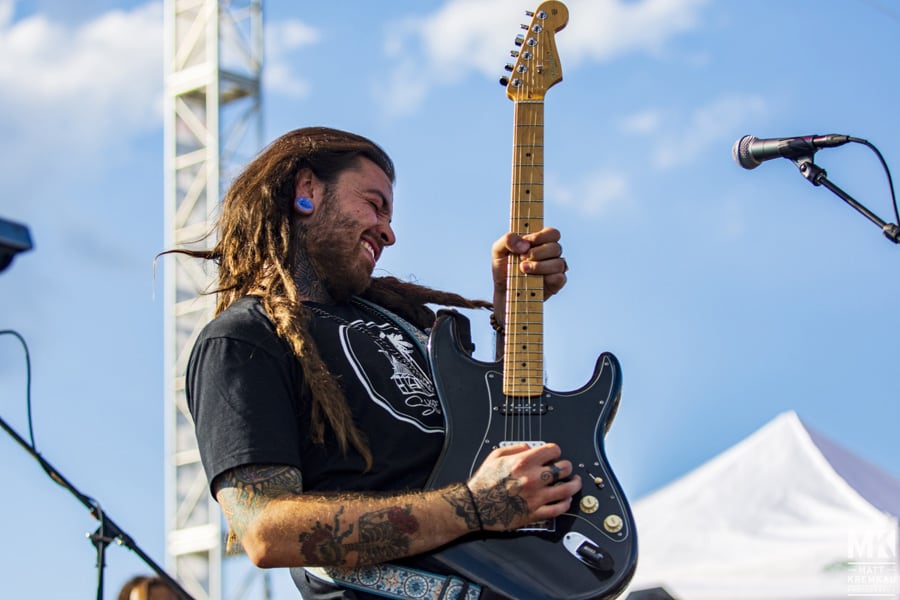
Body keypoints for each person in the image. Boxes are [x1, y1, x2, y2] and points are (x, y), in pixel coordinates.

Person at [178, 127, 578, 599]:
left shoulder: (405, 322)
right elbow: (266, 530)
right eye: (375, 204)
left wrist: (513, 308)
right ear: (307, 191)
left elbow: (501, 434)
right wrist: (473, 506)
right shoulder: (244, 337)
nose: (389, 232)